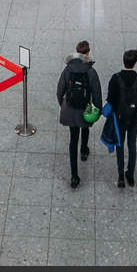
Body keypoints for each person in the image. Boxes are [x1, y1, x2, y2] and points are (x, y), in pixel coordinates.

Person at [57, 42, 102, 190]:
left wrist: (63, 105)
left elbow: (60, 90)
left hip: (70, 109)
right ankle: (84, 150)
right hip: (85, 109)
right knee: (85, 127)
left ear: (76, 52)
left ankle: (74, 176)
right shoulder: (91, 72)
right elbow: (96, 94)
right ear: (87, 53)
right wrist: (98, 110)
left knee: (72, 139)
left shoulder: (68, 69)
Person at [106, 50, 137, 188]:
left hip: (119, 118)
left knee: (120, 145)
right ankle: (130, 175)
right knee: (132, 146)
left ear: (123, 61)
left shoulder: (115, 79)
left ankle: (120, 176)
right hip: (134, 118)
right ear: (135, 63)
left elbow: (111, 99)